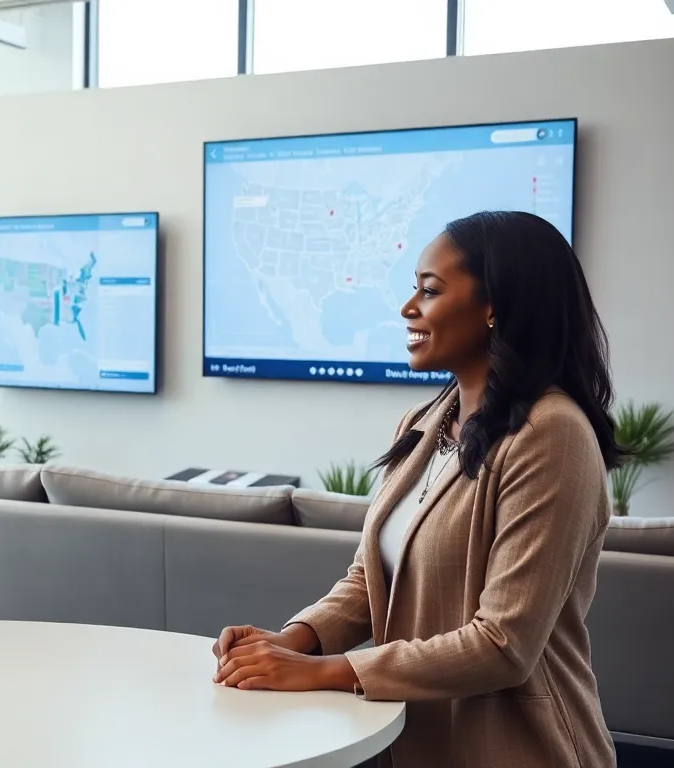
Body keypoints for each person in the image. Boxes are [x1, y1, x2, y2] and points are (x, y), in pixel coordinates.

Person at [212, 211, 623, 767]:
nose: (408, 308)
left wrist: (324, 673)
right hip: (416, 740)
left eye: (429, 291)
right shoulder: (423, 423)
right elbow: (369, 577)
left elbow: (504, 645)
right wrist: (296, 639)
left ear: (494, 306)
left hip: (518, 747)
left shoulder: (552, 435)